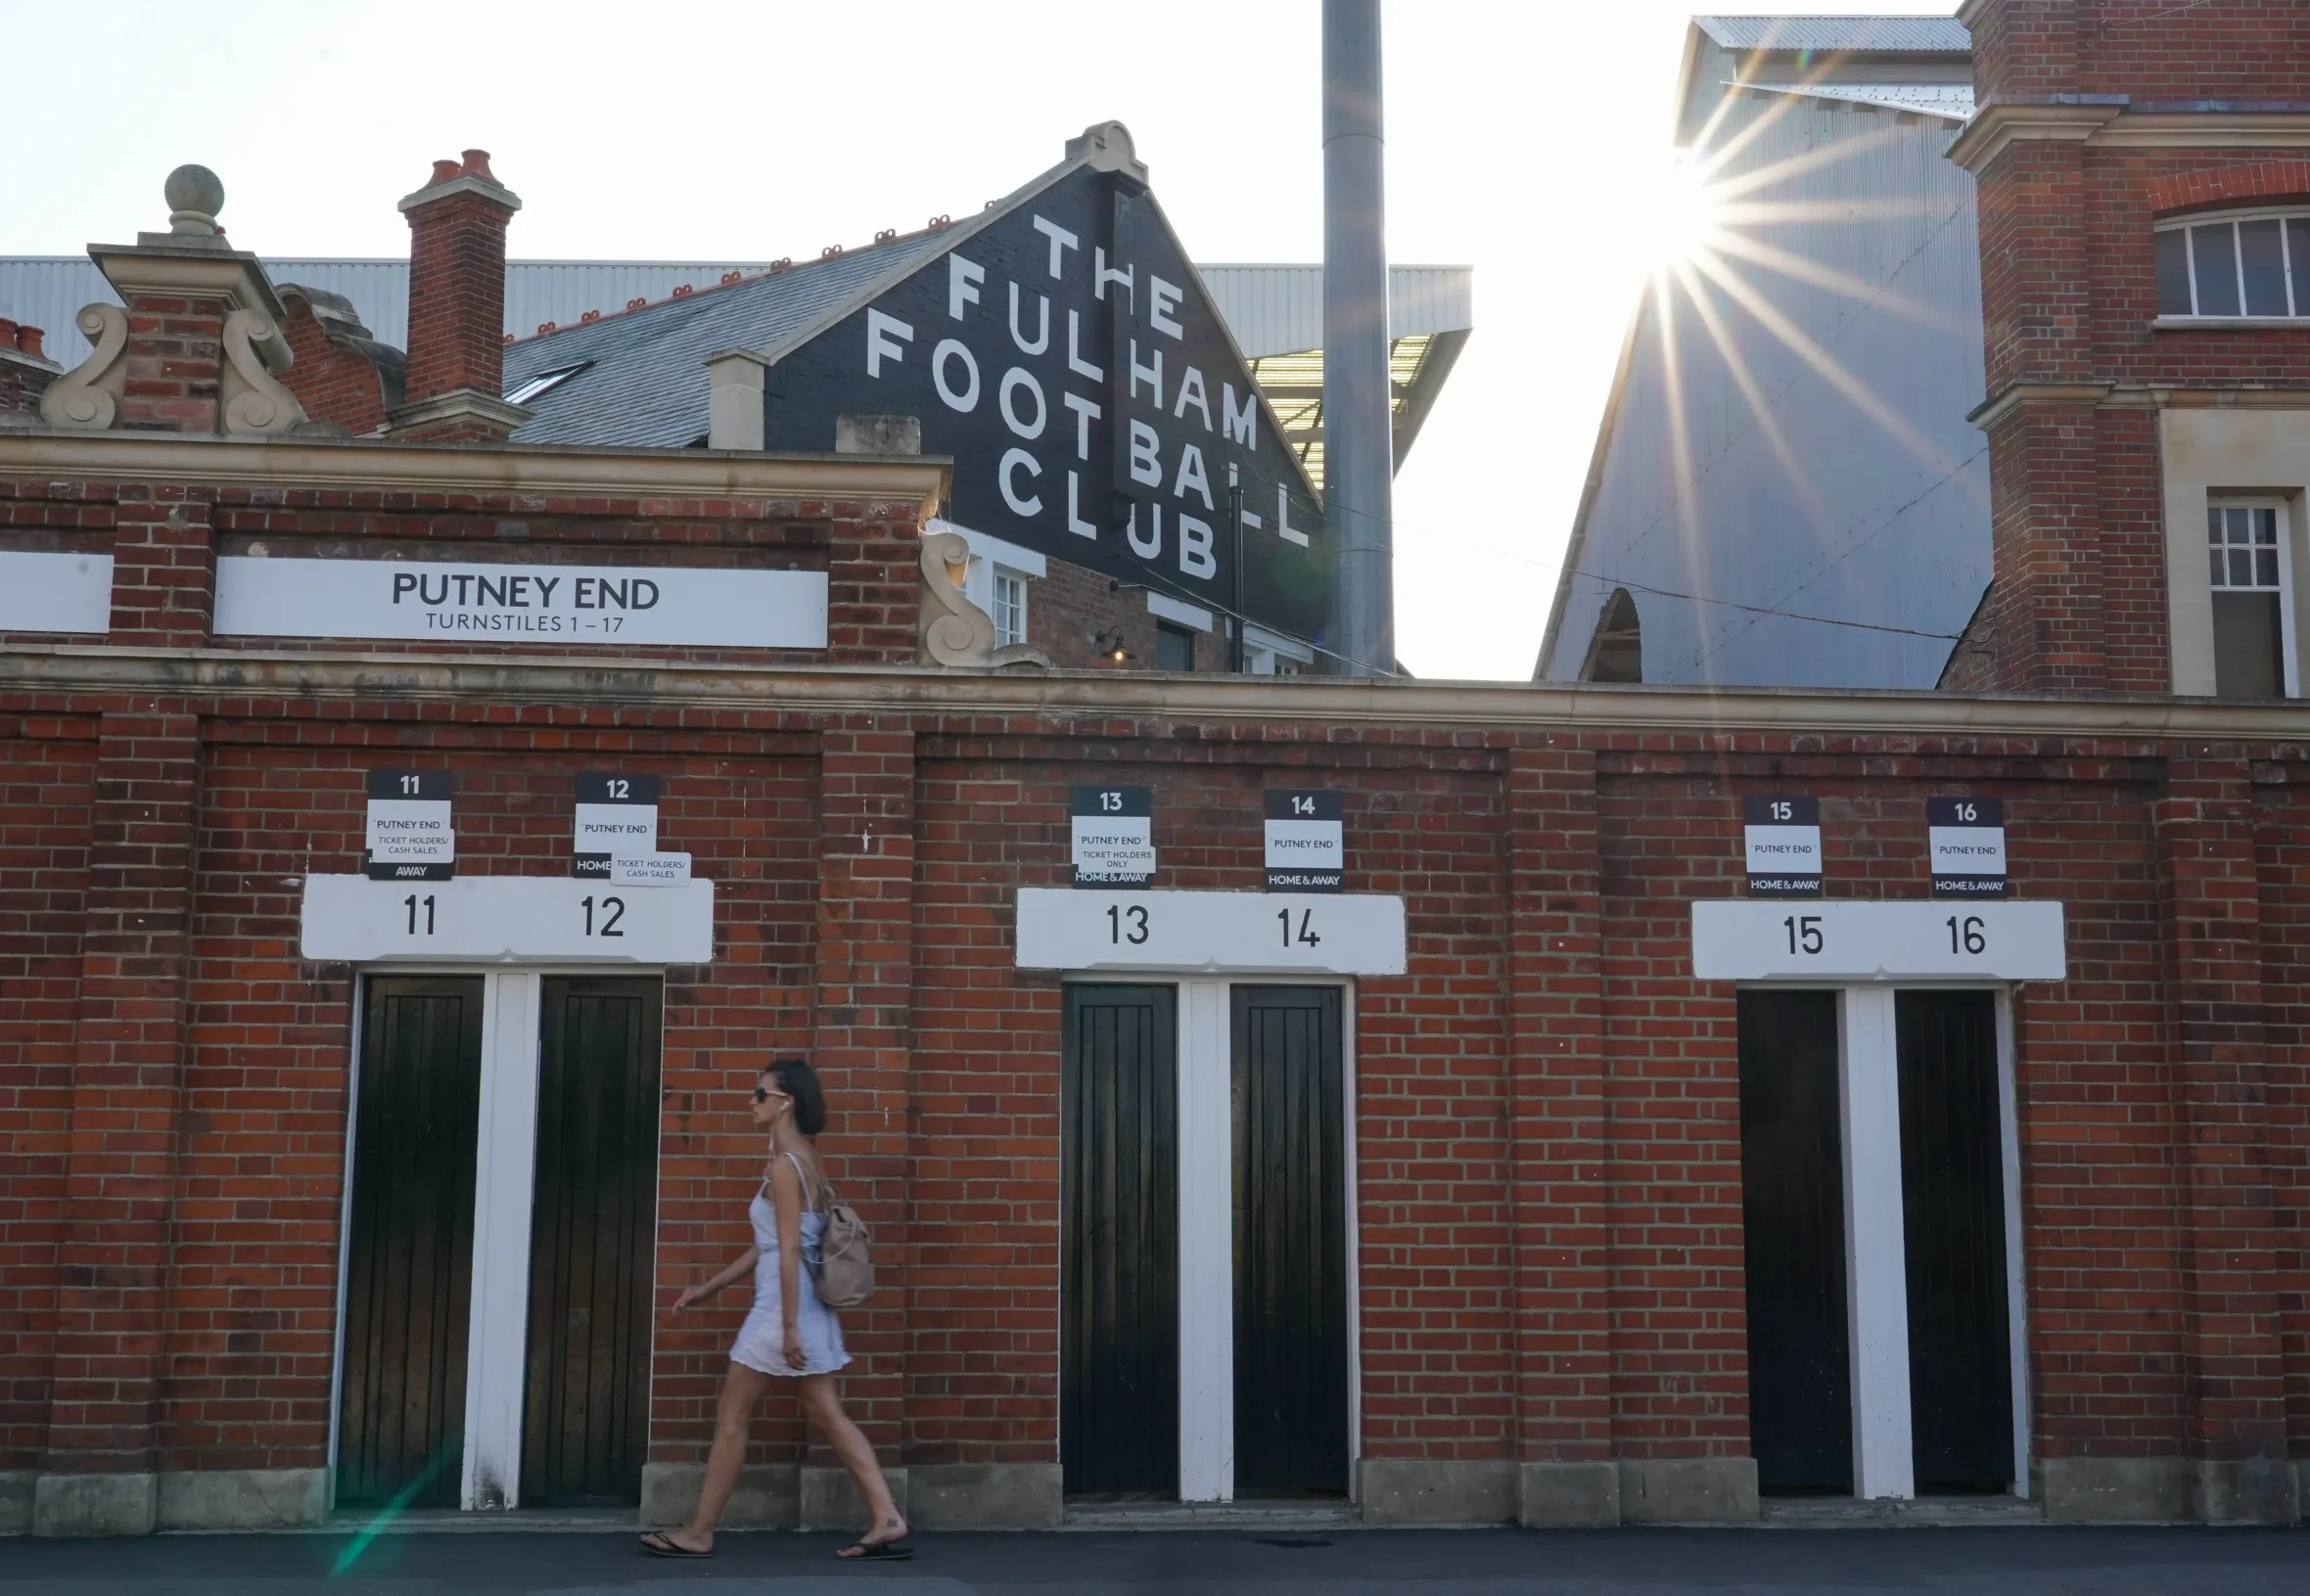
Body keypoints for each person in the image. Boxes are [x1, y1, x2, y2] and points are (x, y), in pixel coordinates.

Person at [639, 1057, 909, 1562]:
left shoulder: (786, 1167)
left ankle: (699, 1531)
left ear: (785, 1102)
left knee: (732, 1416)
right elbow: (771, 1244)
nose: (752, 1103)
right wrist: (710, 1287)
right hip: (803, 1302)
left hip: (782, 1306)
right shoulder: (805, 1158)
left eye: (759, 1095)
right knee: (824, 1411)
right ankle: (887, 1516)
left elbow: (786, 1250)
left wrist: (787, 1326)